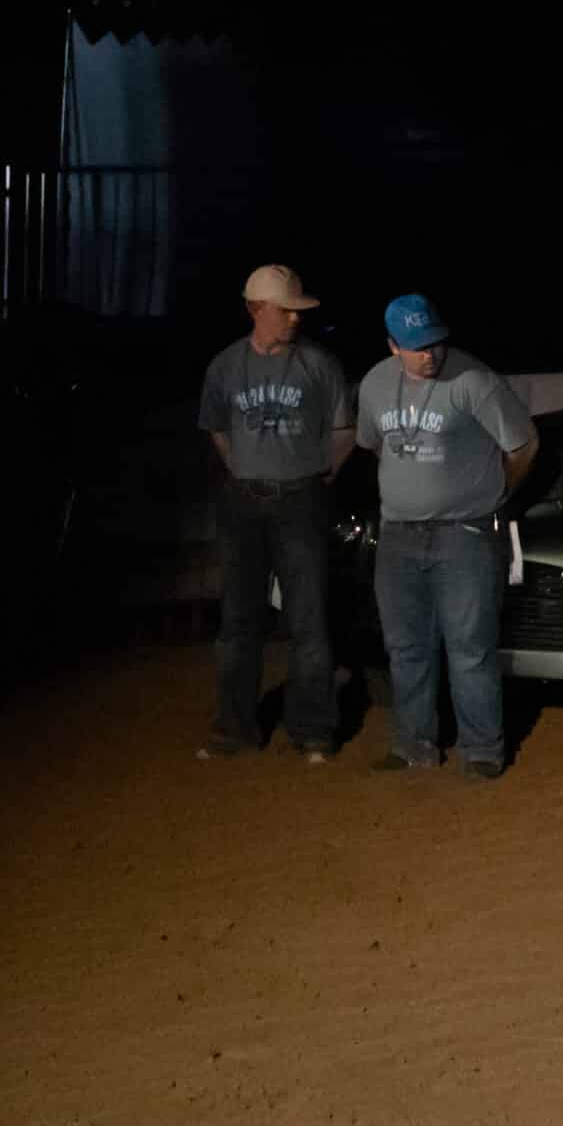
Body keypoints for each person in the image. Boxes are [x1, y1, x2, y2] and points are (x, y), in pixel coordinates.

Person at [356, 294, 538, 779]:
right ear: (393, 346)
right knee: (406, 645)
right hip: (397, 536)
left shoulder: (474, 381)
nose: (430, 354)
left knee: (469, 645)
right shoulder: (374, 385)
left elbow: (523, 444)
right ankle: (413, 742)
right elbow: (376, 447)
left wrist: (492, 491)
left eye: (436, 343)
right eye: (417, 347)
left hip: (465, 533)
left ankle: (481, 749)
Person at [197, 265, 356, 764]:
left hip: (300, 499)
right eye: (283, 310)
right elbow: (217, 430)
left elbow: (343, 431)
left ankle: (312, 729)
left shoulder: (318, 365)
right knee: (239, 620)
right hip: (243, 501)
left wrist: (317, 475)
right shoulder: (225, 366)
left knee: (308, 617)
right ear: (254, 310)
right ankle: (235, 727)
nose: (292, 318)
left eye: (297, 310)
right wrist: (246, 471)